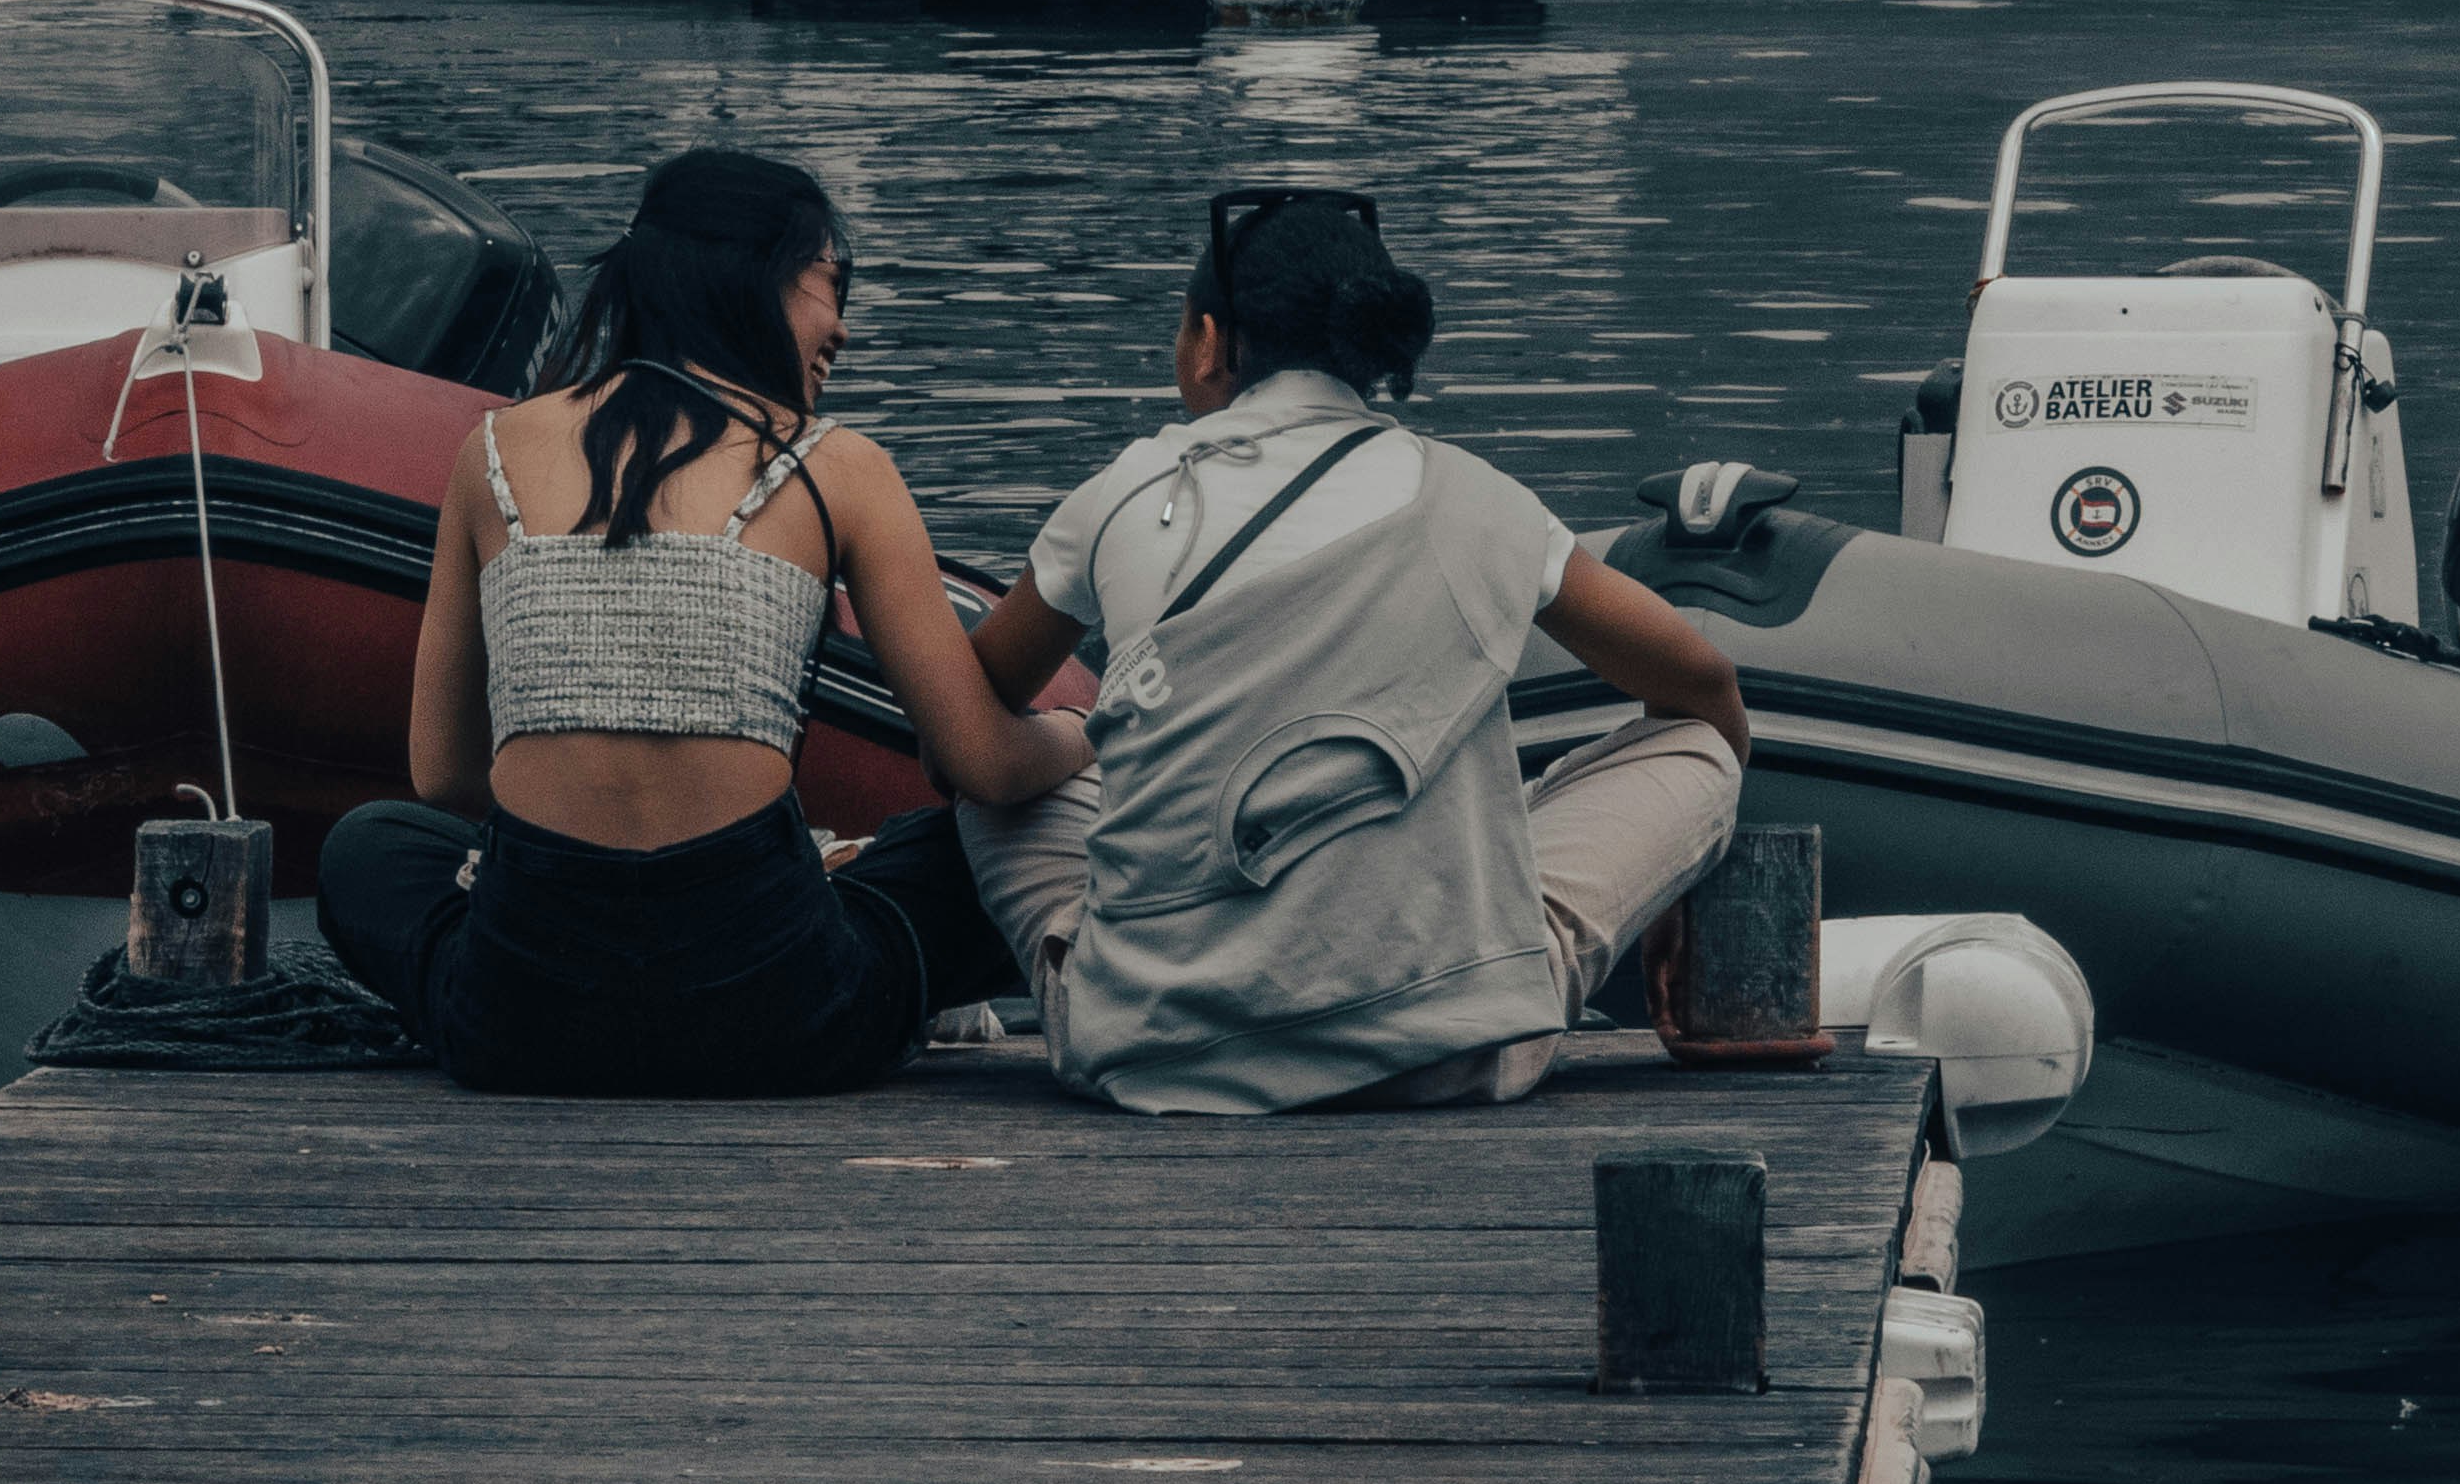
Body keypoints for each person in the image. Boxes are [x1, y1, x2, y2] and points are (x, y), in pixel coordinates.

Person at [953, 190, 1755, 1117]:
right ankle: (1470, 959)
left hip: (1153, 1050)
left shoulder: (1123, 495)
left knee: (994, 793)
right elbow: (1702, 683)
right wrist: (1682, 880)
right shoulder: (1481, 504)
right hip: (1458, 1046)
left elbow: (967, 729)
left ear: (1210, 342)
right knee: (1696, 750)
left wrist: (1075, 738)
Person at [324, 148, 1093, 1097]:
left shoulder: (493, 447)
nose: (842, 329)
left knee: (368, 849)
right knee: (982, 850)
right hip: (784, 1023)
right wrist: (1083, 740)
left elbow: (441, 772)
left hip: (521, 1021)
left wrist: (584, 830)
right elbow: (981, 765)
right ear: (756, 274)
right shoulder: (837, 466)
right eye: (831, 283)